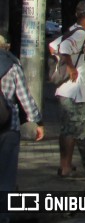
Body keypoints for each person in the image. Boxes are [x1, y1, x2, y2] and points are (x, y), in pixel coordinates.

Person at [55, 0, 85, 187]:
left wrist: (65, 62)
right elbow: (63, 48)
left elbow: (53, 46)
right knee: (81, 134)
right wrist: (71, 67)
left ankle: (64, 167)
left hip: (64, 91)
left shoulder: (72, 29)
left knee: (67, 131)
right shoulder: (80, 33)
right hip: (76, 92)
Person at [0, 34, 44, 193]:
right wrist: (37, 121)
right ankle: (3, 215)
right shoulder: (13, 66)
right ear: (5, 47)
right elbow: (25, 98)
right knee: (6, 173)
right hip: (8, 126)